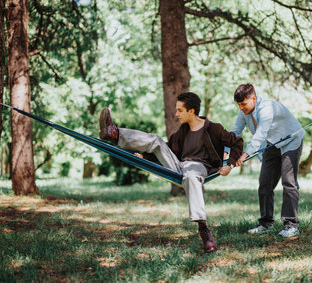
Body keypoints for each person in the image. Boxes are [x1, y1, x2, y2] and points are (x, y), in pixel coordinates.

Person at [99, 92, 243, 253]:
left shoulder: (213, 129)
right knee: (156, 140)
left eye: (180, 110)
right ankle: (115, 133)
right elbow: (166, 149)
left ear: (192, 111)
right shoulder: (183, 131)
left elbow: (237, 142)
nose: (176, 114)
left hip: (199, 168)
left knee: (190, 174)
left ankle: (203, 229)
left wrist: (230, 164)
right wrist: (145, 156)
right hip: (178, 166)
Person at [226, 84, 305, 238]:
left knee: (288, 182)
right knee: (265, 183)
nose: (241, 108)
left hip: (291, 142)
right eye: (239, 105)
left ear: (253, 98)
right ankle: (265, 223)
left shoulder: (267, 108)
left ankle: (291, 225)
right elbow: (235, 132)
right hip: (271, 145)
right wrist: (226, 150)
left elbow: (261, 133)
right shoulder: (244, 112)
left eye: (243, 104)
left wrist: (244, 155)